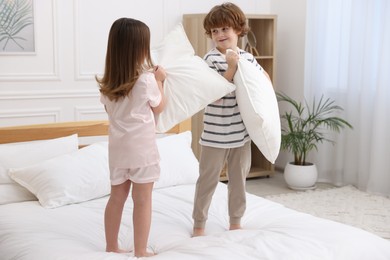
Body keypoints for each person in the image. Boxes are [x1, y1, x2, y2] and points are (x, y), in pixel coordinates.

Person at [192, 2, 270, 237]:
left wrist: (258, 76)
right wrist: (231, 67)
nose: (219, 35)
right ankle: (199, 224)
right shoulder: (209, 60)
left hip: (241, 134)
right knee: (207, 181)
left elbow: (262, 80)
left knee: (238, 181)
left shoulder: (246, 57)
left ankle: (235, 221)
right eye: (214, 31)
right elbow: (215, 95)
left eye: (224, 29)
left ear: (238, 30)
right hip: (215, 136)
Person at [96, 17, 166, 257]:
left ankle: (111, 246)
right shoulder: (147, 80)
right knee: (143, 200)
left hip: (118, 151)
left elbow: (111, 113)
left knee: (117, 198)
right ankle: (140, 251)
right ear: (140, 49)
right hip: (142, 152)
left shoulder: (107, 84)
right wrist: (161, 80)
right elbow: (159, 107)